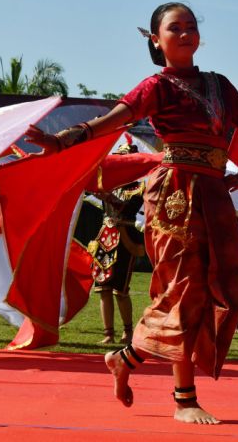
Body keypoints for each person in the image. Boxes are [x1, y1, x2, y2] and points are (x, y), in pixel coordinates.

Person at [26, 2, 238, 424]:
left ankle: (127, 360)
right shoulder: (156, 86)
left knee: (216, 286)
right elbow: (115, 120)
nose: (187, 33)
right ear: (157, 39)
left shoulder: (219, 85)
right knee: (183, 287)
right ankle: (183, 398)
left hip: (213, 191)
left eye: (192, 26)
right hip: (175, 191)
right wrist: (62, 141)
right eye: (176, 28)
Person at [90, 144, 146, 345]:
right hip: (106, 237)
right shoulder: (106, 183)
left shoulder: (139, 187)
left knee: (120, 289)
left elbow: (129, 208)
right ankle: (108, 333)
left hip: (125, 239)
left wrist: (109, 198)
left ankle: (128, 331)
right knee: (103, 287)